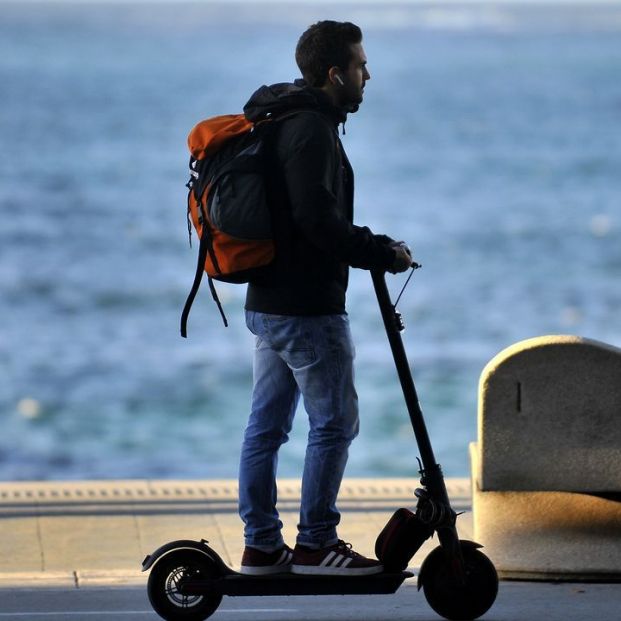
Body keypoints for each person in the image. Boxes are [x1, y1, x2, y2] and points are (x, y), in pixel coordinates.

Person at [238, 20, 412, 577]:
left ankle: (262, 547)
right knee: (335, 423)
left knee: (266, 428)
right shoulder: (310, 128)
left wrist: (364, 246)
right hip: (307, 308)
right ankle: (315, 544)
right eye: (361, 65)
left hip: (269, 303)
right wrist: (378, 250)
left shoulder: (285, 118)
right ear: (335, 73)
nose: (368, 74)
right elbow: (316, 219)